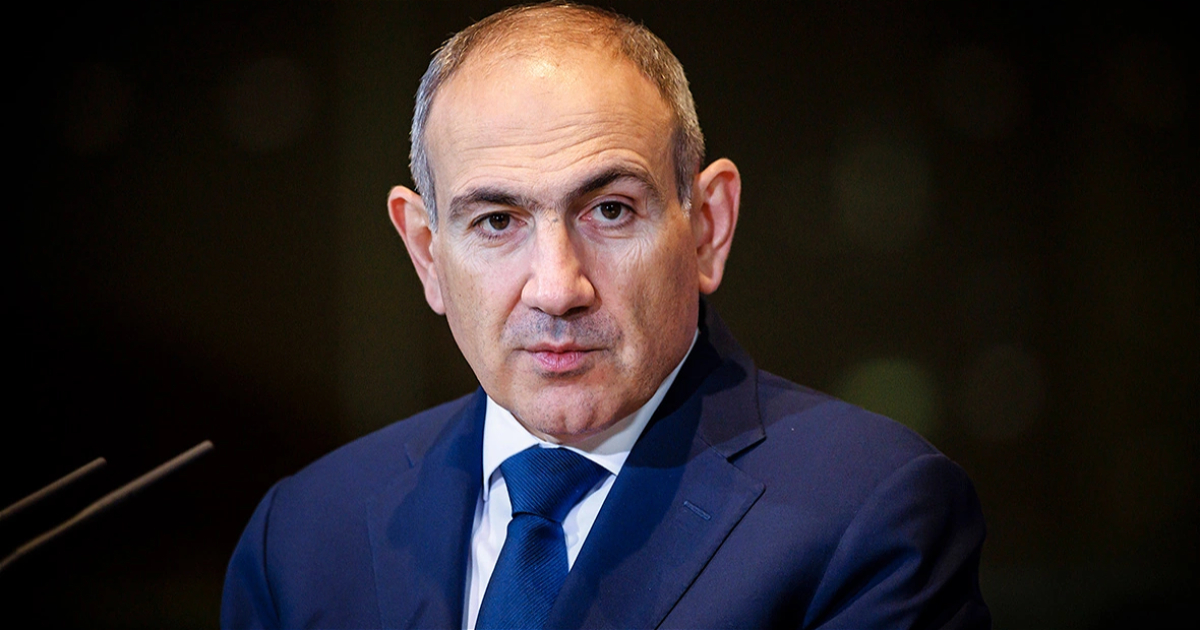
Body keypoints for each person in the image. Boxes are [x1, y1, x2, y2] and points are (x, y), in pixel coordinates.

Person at [221, 3, 990, 628]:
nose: (558, 288)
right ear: (427, 252)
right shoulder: (302, 537)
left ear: (708, 226)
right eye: (497, 222)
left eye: (611, 210)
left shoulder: (867, 511)